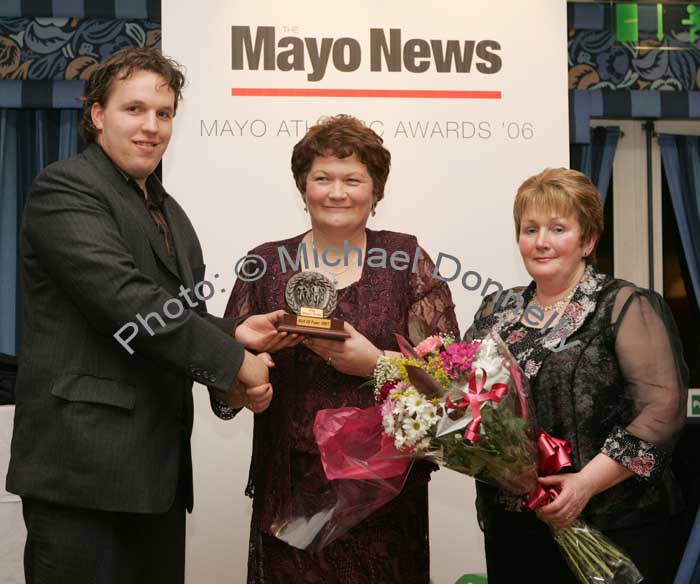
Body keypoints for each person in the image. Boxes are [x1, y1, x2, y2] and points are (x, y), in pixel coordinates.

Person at [5, 47, 292, 584]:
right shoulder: (65, 189)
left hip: (156, 476)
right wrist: (235, 362)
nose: (151, 127)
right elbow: (128, 302)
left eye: (164, 114)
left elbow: (176, 314)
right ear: (96, 115)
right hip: (82, 473)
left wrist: (237, 333)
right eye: (133, 109)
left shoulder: (170, 211)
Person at [211, 114, 459, 583]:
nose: (337, 192)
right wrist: (245, 389)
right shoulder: (263, 265)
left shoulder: (406, 260)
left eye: (353, 179)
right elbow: (224, 385)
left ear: (375, 191)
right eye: (322, 178)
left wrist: (379, 364)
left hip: (382, 498)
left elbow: (451, 388)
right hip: (291, 499)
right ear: (303, 187)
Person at [463, 168, 688, 584]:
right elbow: (465, 397)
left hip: (616, 526)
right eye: (530, 229)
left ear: (588, 241)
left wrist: (585, 483)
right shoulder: (496, 310)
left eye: (558, 228)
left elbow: (662, 412)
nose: (541, 241)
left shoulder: (622, 304)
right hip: (517, 530)